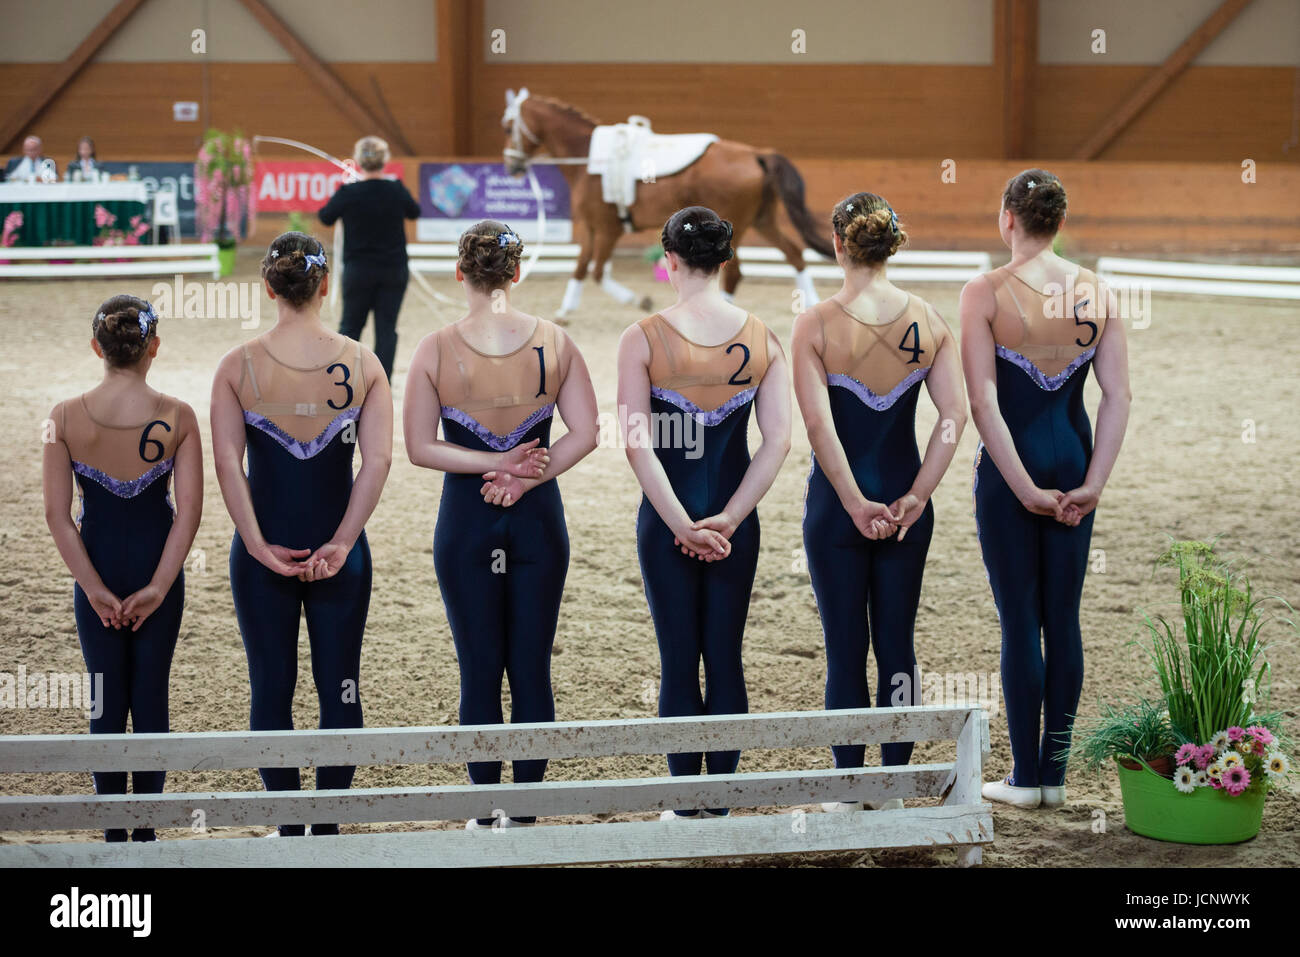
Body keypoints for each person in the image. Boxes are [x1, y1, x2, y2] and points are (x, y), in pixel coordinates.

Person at [405, 220, 598, 830]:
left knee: (479, 667)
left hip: (466, 519)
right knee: (532, 665)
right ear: (516, 275)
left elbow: (417, 445)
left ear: (460, 275)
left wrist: (491, 465)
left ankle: (486, 809)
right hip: (539, 519)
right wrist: (524, 475)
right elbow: (588, 433)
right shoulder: (556, 341)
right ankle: (527, 814)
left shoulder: (435, 348)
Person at [210, 231, 392, 837]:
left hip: (263, 549)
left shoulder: (237, 366)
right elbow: (378, 462)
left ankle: (289, 830)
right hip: (342, 547)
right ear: (325, 286)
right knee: (341, 682)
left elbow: (227, 466)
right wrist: (343, 541)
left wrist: (257, 543)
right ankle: (329, 829)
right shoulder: (364, 362)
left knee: (271, 685)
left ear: (268, 288)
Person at [959, 169, 1130, 809]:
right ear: (1059, 222)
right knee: (1064, 618)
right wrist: (1093, 483)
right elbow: (1118, 395)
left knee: (1019, 621)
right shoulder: (1098, 292)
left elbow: (983, 400)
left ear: (1008, 218)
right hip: (1075, 457)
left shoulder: (986, 291)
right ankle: (1054, 777)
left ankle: (1025, 777)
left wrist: (1022, 485)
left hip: (1013, 468)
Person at [791, 193, 967, 811]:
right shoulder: (930, 321)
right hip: (905, 505)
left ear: (838, 244)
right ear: (894, 245)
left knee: (844, 645)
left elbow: (820, 428)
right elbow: (955, 416)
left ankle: (850, 785)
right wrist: (918, 493)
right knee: (897, 641)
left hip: (838, 507)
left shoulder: (815, 323)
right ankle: (892, 784)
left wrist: (853, 501)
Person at [617, 206, 791, 820]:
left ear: (668, 262)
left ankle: (686, 798)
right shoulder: (764, 336)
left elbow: (637, 441)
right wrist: (732, 518)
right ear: (726, 260)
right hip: (734, 524)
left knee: (677, 655)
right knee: (725, 652)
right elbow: (777, 442)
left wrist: (678, 523)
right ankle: (719, 799)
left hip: (666, 519)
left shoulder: (641, 337)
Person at [42, 295, 202, 842]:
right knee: (151, 692)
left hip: (98, 571)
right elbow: (188, 514)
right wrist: (160, 583)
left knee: (104, 695)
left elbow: (59, 518)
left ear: (96, 348)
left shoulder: (61, 417)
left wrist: (92, 589)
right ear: (153, 348)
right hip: (158, 571)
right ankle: (147, 833)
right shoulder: (180, 416)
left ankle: (113, 834)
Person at [318, 136, 419, 381]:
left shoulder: (349, 192)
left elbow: (325, 217)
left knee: (351, 326)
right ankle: (382, 381)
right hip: (393, 270)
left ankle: (343, 378)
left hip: (358, 271)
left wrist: (351, 191)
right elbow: (414, 211)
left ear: (360, 161)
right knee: (386, 329)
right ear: (384, 161)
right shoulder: (395, 189)